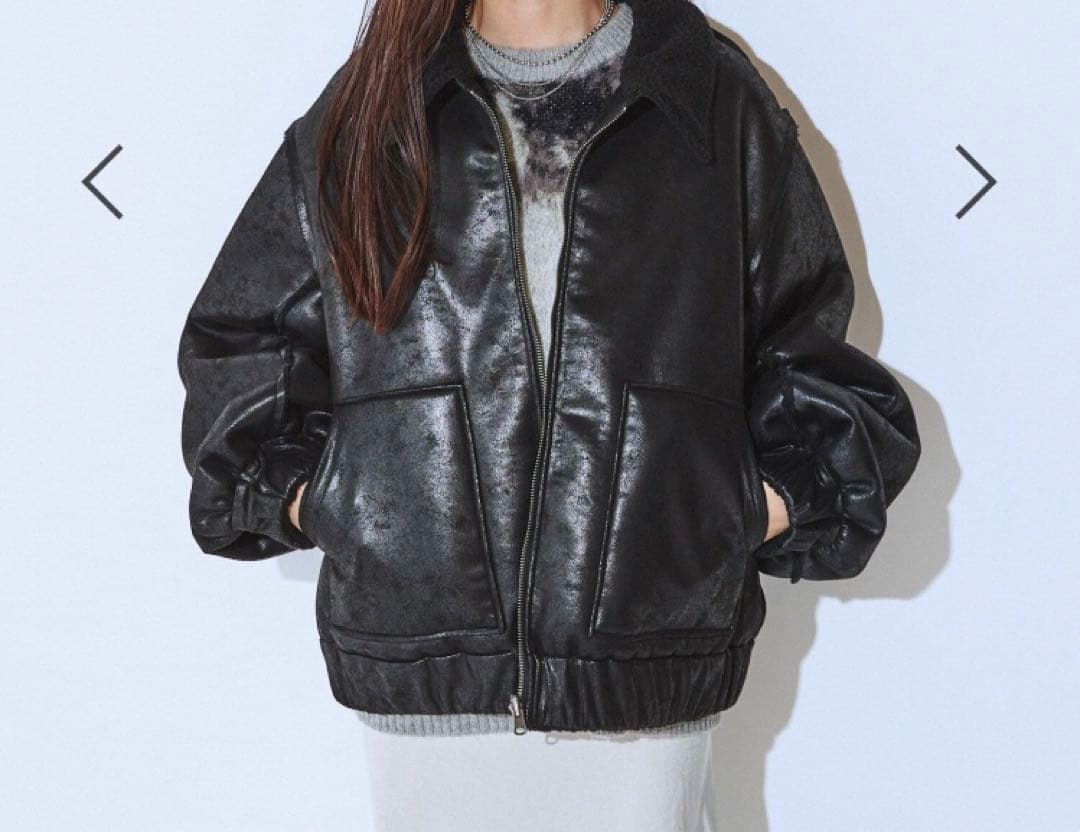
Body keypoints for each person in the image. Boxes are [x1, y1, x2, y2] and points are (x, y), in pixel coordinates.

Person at [177, 0, 921, 829]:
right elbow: (240, 353)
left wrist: (731, 511)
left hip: (644, 674)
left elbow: (809, 357)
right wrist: (341, 501)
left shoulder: (710, 99)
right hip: (425, 682)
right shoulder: (372, 108)